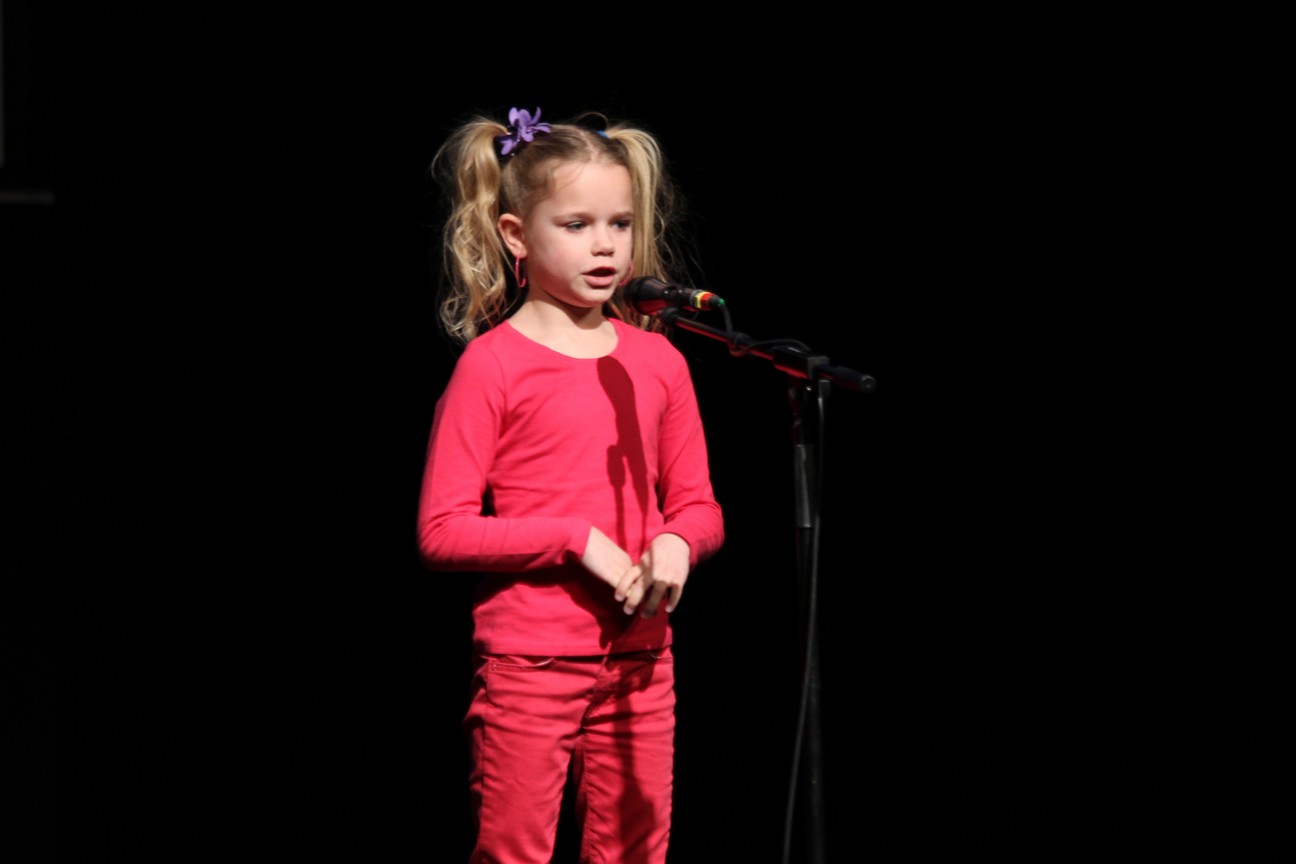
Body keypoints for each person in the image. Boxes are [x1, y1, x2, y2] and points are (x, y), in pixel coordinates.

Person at [417, 105, 726, 863]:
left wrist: (679, 543)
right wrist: (573, 538)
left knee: (635, 851)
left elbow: (698, 505)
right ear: (517, 235)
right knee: (515, 851)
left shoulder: (658, 361)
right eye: (577, 225)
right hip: (531, 663)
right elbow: (442, 530)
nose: (605, 245)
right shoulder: (492, 365)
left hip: (642, 660)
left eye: (620, 224)